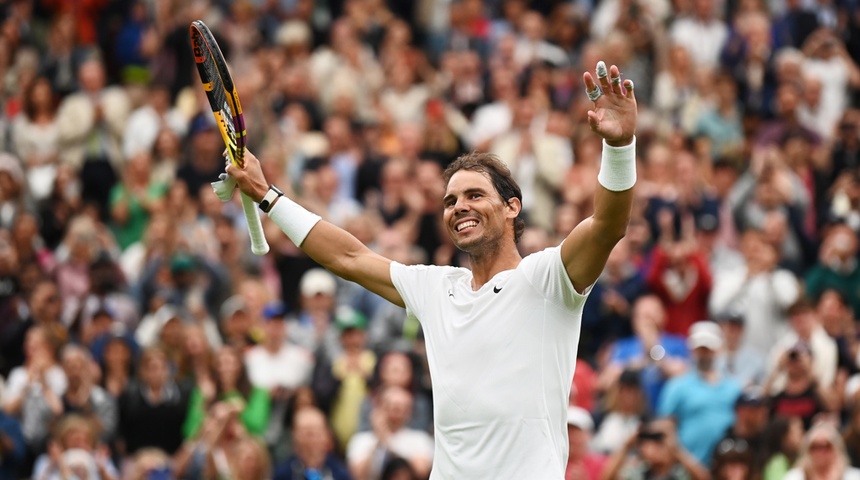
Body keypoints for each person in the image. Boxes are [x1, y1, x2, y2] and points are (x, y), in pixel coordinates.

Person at [227, 60, 638, 478]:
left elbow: (608, 225)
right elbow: (347, 257)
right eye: (450, 201)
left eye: (474, 195)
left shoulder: (547, 279)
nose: (459, 207)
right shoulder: (437, 287)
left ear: (512, 207)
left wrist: (619, 148)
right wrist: (266, 194)